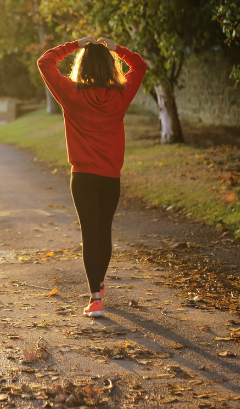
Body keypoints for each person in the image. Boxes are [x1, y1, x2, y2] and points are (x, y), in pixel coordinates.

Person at [37, 36, 147, 317]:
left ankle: (95, 298)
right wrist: (117, 49)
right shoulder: (121, 94)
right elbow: (140, 65)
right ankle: (98, 287)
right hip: (110, 177)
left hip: (83, 177)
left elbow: (45, 62)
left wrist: (74, 44)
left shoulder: (70, 93)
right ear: (111, 67)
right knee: (104, 232)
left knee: (90, 234)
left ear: (82, 66)